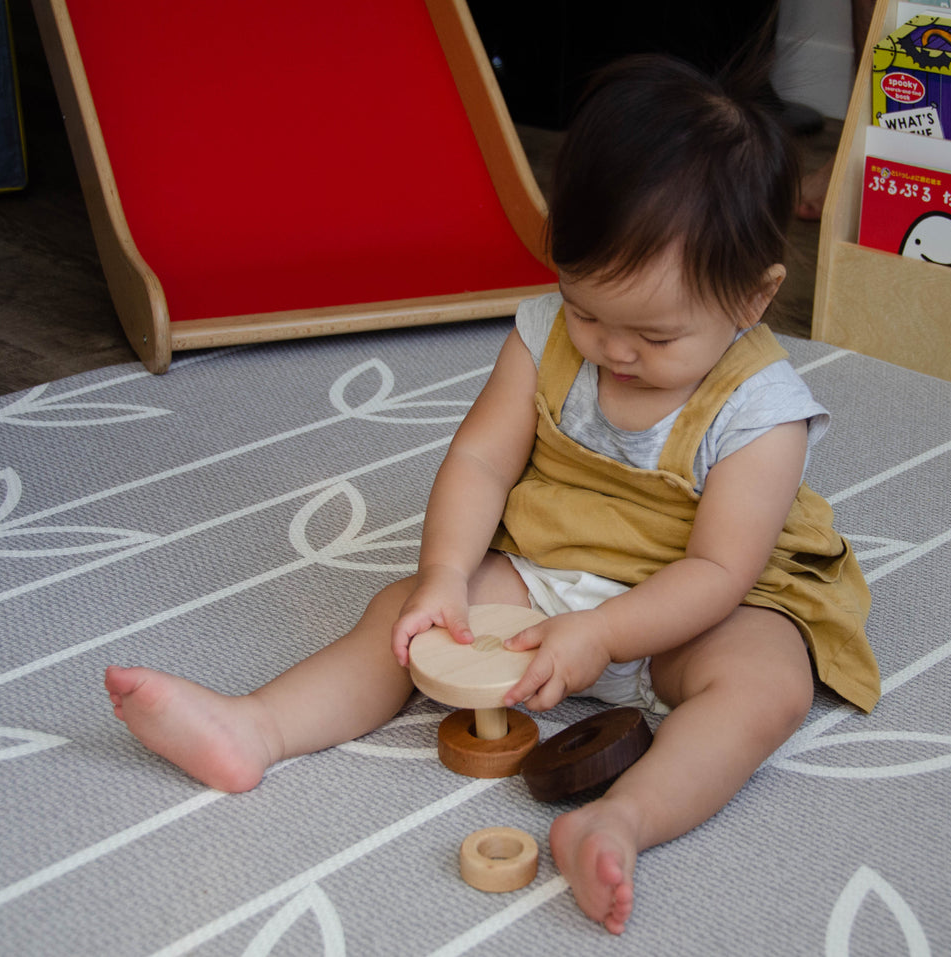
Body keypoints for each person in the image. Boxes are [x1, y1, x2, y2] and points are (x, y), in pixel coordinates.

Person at [102, 53, 879, 936]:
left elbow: (718, 567)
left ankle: (621, 817)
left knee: (764, 686)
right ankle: (255, 728)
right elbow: (478, 462)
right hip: (553, 566)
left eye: (655, 335)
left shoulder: (761, 410)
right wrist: (442, 576)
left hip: (700, 604)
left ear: (753, 296)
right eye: (589, 312)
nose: (612, 351)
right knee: (404, 613)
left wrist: (604, 635)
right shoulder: (547, 336)